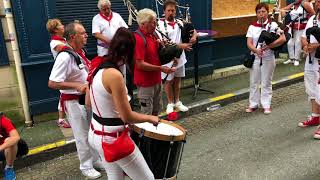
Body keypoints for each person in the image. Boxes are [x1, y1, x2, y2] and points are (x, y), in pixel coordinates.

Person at [88, 27, 158, 180]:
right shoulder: (114, 75)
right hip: (112, 138)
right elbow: (127, 116)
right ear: (130, 51)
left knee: (115, 177)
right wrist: (150, 118)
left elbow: (88, 102)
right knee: (148, 178)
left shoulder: (98, 64)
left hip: (95, 133)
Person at [48, 22, 102, 179]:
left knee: (92, 131)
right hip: (73, 101)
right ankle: (85, 166)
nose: (86, 35)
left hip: (86, 99)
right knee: (82, 135)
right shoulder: (64, 56)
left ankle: (95, 160)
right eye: (83, 33)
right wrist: (76, 85)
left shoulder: (79, 52)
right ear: (72, 37)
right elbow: (52, 82)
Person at [157, 0, 197, 114]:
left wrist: (194, 36)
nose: (171, 12)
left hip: (180, 57)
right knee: (169, 81)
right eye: (168, 10)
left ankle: (177, 101)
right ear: (164, 11)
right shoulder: (159, 25)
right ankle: (170, 103)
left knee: (177, 80)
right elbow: (163, 43)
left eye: (173, 10)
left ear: (175, 11)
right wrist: (181, 45)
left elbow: (193, 30)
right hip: (168, 58)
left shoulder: (180, 22)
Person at [245, 3, 286, 114]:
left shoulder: (273, 25)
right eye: (259, 12)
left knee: (266, 82)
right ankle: (253, 104)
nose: (261, 14)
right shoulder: (252, 26)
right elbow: (249, 43)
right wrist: (256, 50)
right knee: (254, 82)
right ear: (256, 14)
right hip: (255, 57)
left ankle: (266, 104)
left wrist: (269, 46)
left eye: (263, 12)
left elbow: (282, 39)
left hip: (268, 57)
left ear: (267, 13)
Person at [134, 8, 175, 116]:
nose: (156, 24)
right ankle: (146, 133)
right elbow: (139, 64)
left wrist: (163, 46)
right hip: (145, 83)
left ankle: (155, 130)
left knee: (157, 109)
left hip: (156, 79)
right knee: (147, 114)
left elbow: (155, 54)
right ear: (143, 24)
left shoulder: (153, 35)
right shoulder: (138, 39)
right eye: (153, 22)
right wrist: (161, 68)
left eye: (156, 21)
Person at [298, 0, 320, 139]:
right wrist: (306, 46)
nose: (318, 3)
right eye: (317, 1)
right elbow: (303, 36)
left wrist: (315, 46)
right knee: (311, 88)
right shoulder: (312, 18)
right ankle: (315, 117)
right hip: (310, 60)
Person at [46, 18, 71, 129]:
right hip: (63, 71)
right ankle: (61, 119)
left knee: (65, 94)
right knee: (63, 95)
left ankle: (64, 117)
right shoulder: (55, 42)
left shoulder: (63, 39)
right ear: (55, 30)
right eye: (61, 25)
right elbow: (66, 49)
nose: (63, 26)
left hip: (70, 69)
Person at [282, 0, 315, 66]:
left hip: (301, 26)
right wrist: (278, 9)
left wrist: (308, 22)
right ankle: (291, 58)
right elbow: (283, 9)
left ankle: (297, 59)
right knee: (290, 43)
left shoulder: (305, 4)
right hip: (292, 27)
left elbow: (313, 14)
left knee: (298, 42)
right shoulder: (293, 4)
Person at [0, 113, 24, 180]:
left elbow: (16, 137)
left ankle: (9, 168)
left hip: (5, 151)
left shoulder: (3, 120)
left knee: (10, 141)